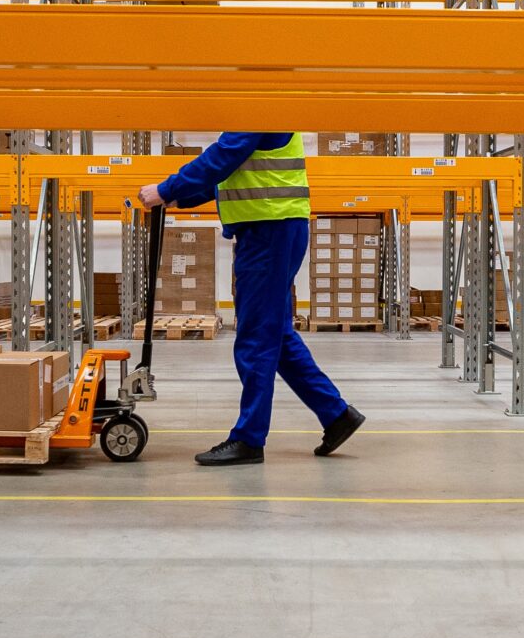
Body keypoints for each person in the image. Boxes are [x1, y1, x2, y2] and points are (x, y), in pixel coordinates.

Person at [139, 132, 364, 466]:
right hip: (273, 226)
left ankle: (249, 438)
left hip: (268, 228)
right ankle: (336, 414)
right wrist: (180, 197)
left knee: (257, 336)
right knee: (276, 333)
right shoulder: (262, 101)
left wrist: (167, 189)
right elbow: (232, 173)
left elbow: (222, 157)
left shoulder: (259, 99)